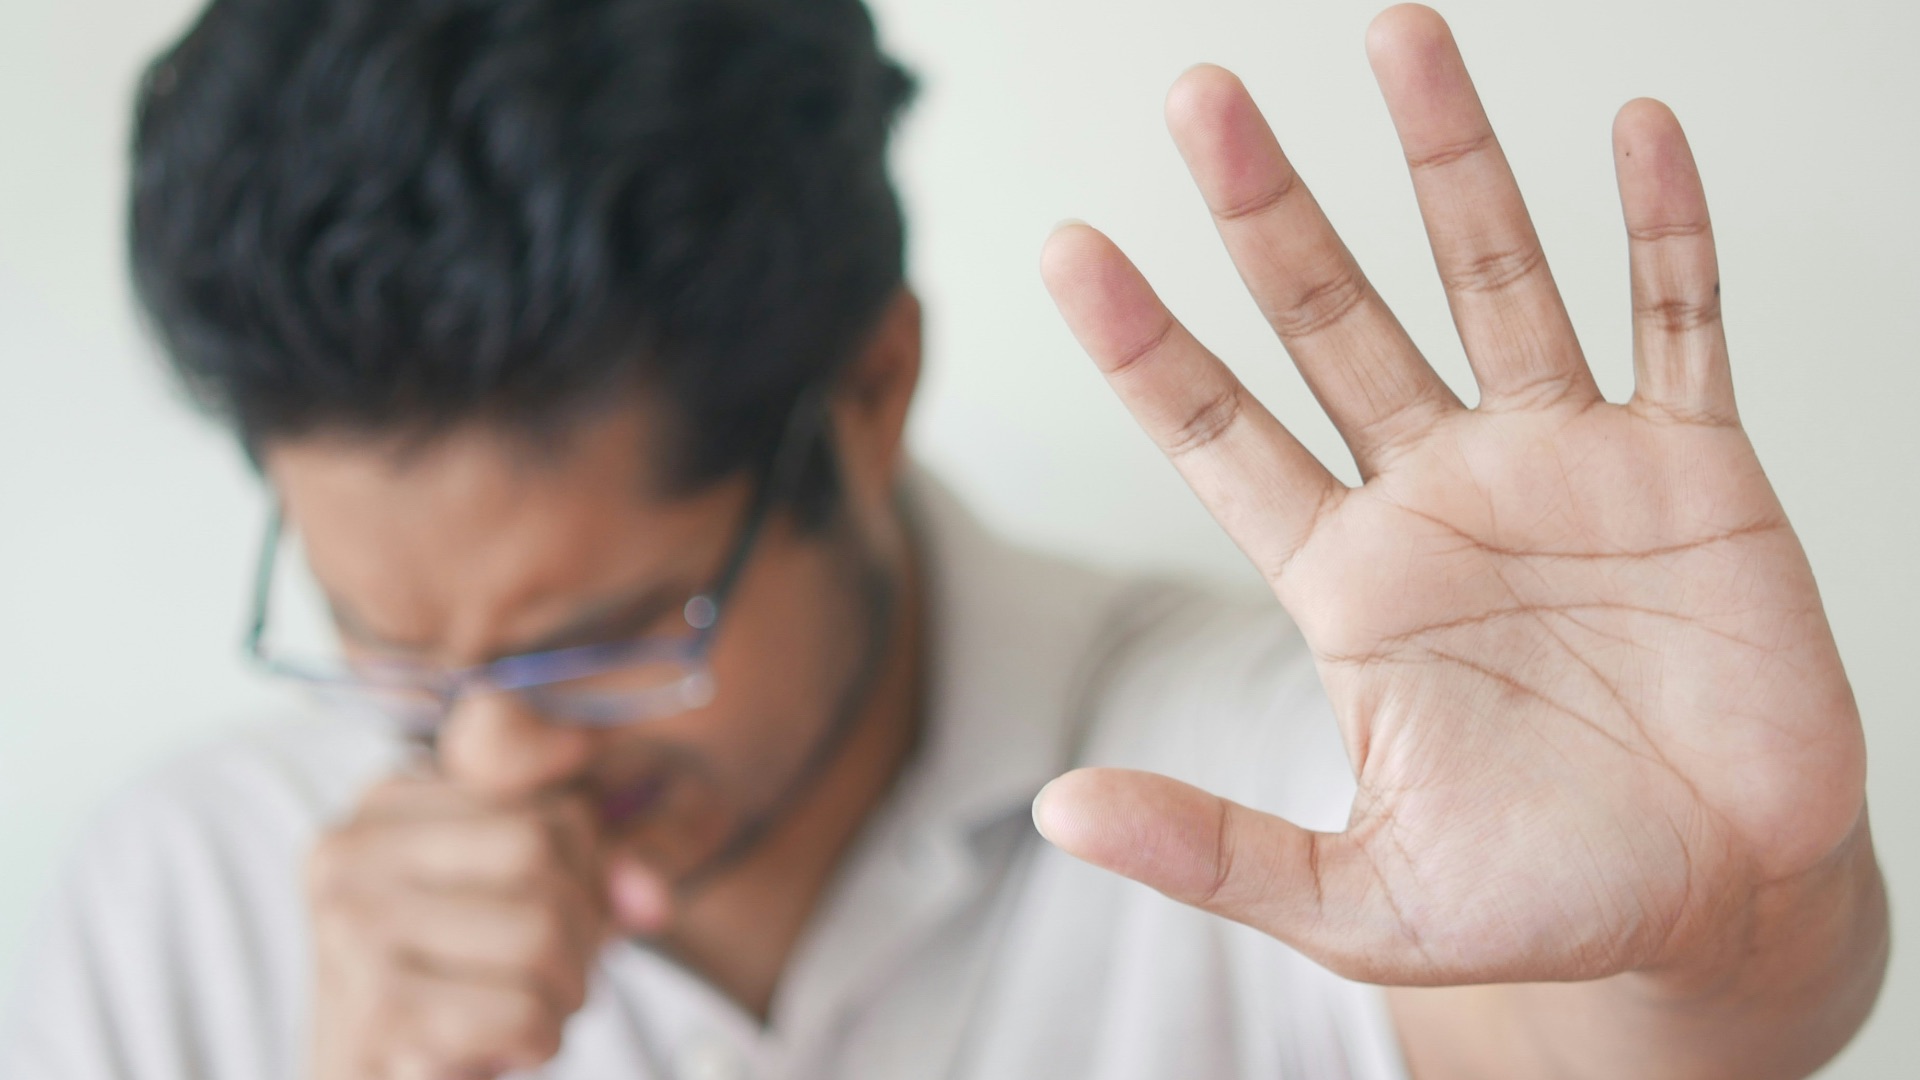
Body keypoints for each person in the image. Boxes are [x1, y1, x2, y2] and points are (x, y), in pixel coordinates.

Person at [1, 0, 1889, 1076]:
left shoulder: (1265, 764)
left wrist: (1728, 932)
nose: (491, 751)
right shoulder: (188, 897)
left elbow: (1628, 1026)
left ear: (870, 389)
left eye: (603, 637)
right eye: (387, 644)